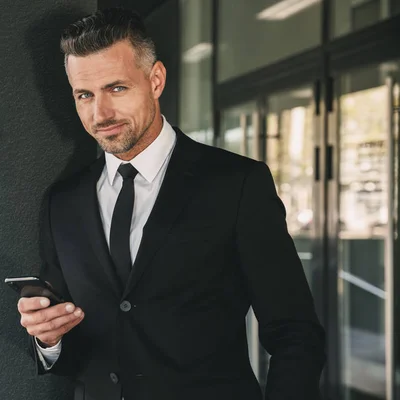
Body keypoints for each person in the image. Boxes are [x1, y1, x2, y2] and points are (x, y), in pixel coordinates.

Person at [17, 7, 325, 400]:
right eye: (84, 95)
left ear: (156, 80)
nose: (100, 113)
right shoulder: (62, 203)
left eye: (116, 88)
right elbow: (77, 347)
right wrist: (48, 340)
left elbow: (295, 333)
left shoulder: (236, 184)